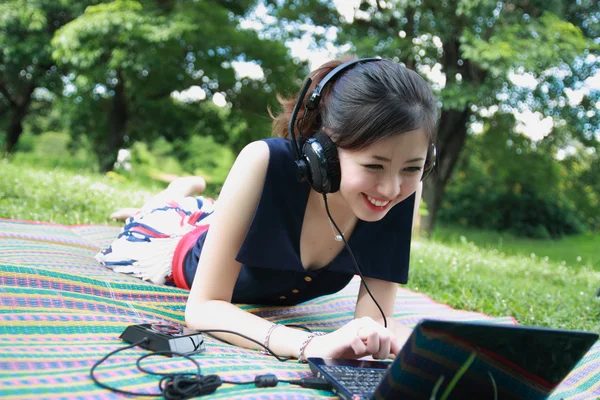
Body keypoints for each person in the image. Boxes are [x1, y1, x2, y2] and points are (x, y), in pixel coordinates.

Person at [97, 56, 438, 363]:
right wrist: (307, 344)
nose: (392, 189)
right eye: (374, 166)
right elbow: (202, 309)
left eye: (411, 168)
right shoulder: (263, 161)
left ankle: (190, 198)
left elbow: (374, 321)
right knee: (157, 221)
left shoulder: (403, 195)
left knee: (209, 213)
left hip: (224, 223)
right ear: (324, 152)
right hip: (175, 247)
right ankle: (175, 194)